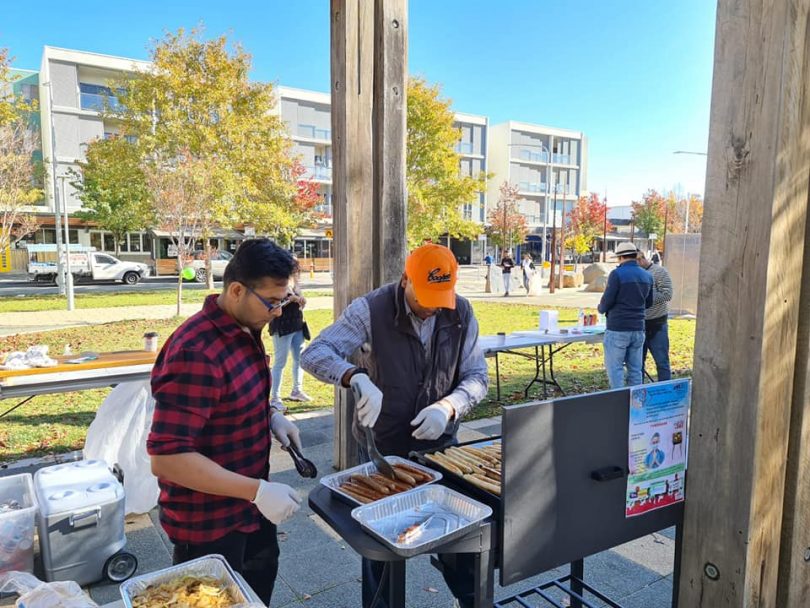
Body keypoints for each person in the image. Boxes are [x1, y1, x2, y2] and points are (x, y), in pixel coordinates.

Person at [301, 243, 488, 608]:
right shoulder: (370, 309)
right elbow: (315, 353)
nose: (433, 307)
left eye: (442, 297)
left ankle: (468, 598)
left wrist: (450, 406)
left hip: (440, 449)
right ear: (406, 281)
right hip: (381, 446)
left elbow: (478, 377)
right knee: (381, 551)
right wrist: (354, 376)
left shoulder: (461, 313)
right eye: (426, 297)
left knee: (459, 542)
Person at [147, 239, 303, 606]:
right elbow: (167, 458)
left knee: (256, 595)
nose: (279, 313)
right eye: (272, 302)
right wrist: (258, 491)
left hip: (251, 509)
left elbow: (229, 399)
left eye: (285, 300)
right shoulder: (196, 352)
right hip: (209, 524)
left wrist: (272, 416)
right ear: (236, 290)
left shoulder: (245, 327)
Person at [597, 241, 653, 388]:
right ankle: (635, 404)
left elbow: (607, 301)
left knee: (615, 369)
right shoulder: (647, 276)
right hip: (638, 328)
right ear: (635, 256)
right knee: (635, 370)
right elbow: (649, 303)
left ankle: (618, 402)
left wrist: (601, 308)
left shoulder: (617, 274)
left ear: (620, 257)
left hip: (618, 328)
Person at [269, 266, 312, 408]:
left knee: (299, 359)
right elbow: (274, 304)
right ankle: (275, 398)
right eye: (293, 268)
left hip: (297, 324)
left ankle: (297, 390)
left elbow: (299, 301)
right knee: (280, 363)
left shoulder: (295, 281)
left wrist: (301, 300)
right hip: (282, 326)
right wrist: (291, 299)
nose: (296, 271)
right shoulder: (277, 282)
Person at [637, 251, 673, 381]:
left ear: (642, 259)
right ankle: (638, 394)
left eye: (637, 261)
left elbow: (667, 294)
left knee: (662, 361)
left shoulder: (659, 272)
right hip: (639, 325)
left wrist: (647, 298)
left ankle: (665, 391)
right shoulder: (635, 274)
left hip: (658, 325)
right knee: (637, 364)